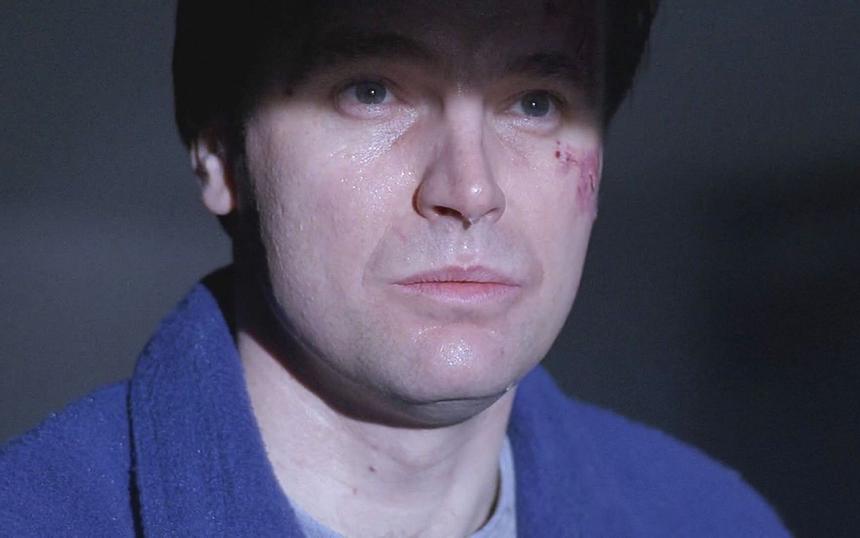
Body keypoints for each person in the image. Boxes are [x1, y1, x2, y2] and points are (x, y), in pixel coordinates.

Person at [0, 1, 789, 536]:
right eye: (371, 91)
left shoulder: (712, 521)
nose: (470, 190)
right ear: (219, 151)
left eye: (536, 102)